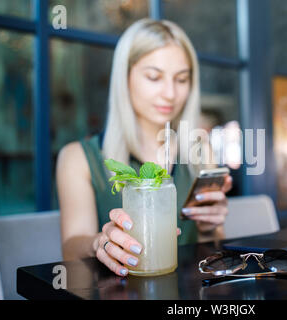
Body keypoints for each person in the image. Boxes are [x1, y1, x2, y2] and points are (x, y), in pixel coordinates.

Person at [56, 19, 232, 277]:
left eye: (181, 79)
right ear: (124, 78)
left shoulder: (200, 149)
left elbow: (215, 247)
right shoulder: (78, 158)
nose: (170, 93)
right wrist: (98, 243)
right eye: (154, 77)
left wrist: (209, 227)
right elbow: (70, 250)